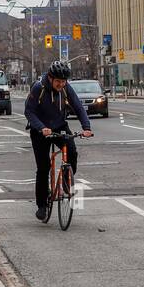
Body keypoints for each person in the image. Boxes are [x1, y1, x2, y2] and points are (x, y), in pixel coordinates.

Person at [24, 61, 93, 222]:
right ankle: (42, 205)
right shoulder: (38, 88)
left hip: (60, 126)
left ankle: (67, 182)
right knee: (43, 167)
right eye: (58, 81)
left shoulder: (66, 88)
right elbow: (29, 111)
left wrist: (86, 127)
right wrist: (41, 128)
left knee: (72, 152)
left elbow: (78, 107)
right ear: (50, 78)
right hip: (40, 130)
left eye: (63, 81)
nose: (61, 85)